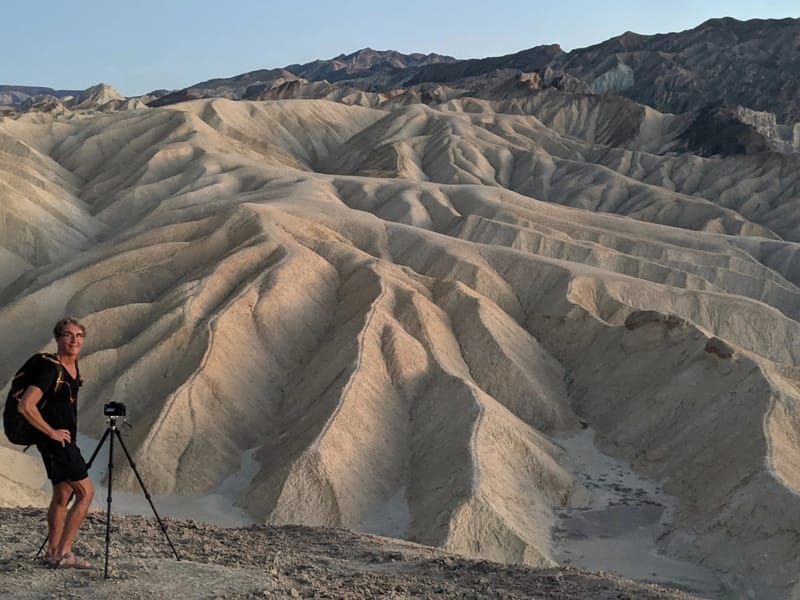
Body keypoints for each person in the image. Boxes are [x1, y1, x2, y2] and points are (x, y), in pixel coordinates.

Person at [17, 317, 95, 569]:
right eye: (69, 335)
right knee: (86, 492)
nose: (75, 340)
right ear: (58, 338)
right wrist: (51, 433)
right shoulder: (51, 369)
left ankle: (52, 552)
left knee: (63, 494)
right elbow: (25, 405)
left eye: (79, 335)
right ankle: (64, 552)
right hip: (57, 443)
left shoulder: (73, 366)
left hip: (62, 441)